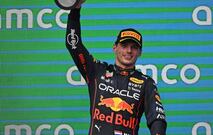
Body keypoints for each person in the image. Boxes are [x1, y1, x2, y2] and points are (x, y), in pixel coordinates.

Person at [65, 1, 167, 135]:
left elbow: (157, 119)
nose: (129, 51)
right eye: (124, 45)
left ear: (140, 52)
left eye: (134, 47)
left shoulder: (146, 83)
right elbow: (74, 45)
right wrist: (75, 8)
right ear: (115, 48)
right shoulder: (97, 71)